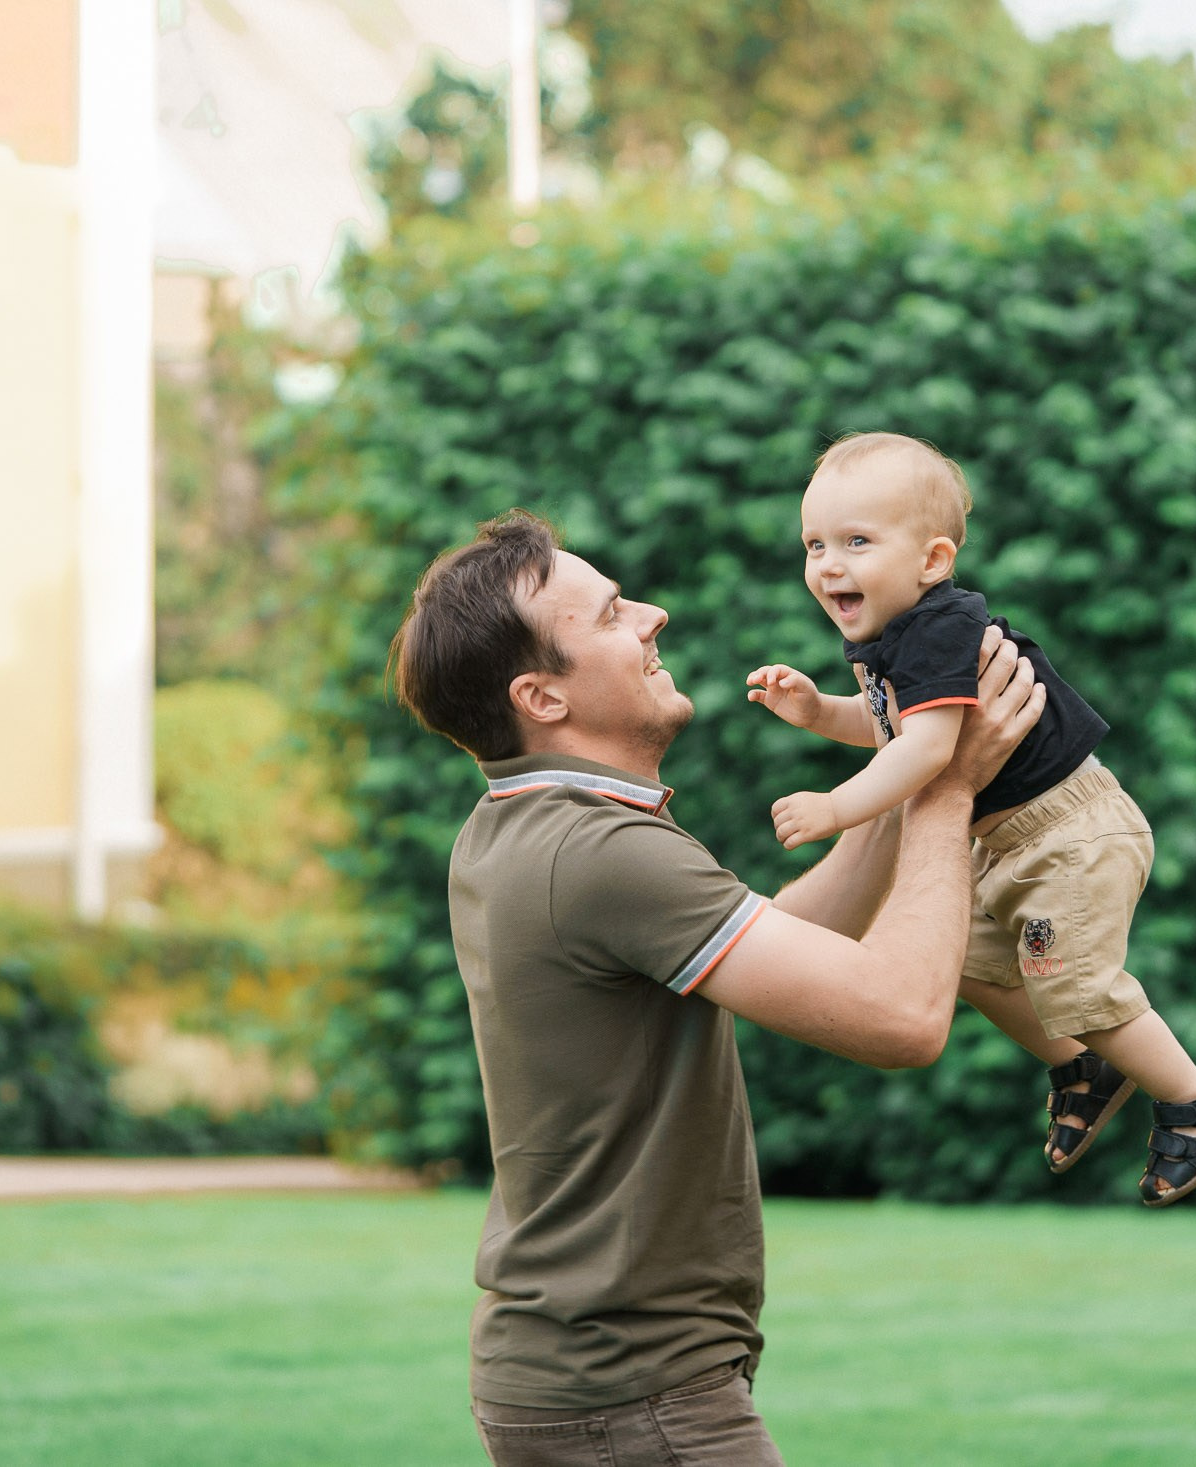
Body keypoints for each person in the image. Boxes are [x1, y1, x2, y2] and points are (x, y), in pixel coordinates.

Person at [391, 509, 1047, 1465]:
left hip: (591, 1382)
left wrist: (910, 768)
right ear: (541, 696)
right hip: (633, 1392)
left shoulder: (520, 827)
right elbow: (902, 1016)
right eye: (612, 614)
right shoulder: (599, 852)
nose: (653, 615)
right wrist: (948, 793)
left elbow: (787, 946)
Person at [746, 432, 1196, 1200]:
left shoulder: (940, 627)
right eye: (815, 544)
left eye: (857, 541)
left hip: (1068, 835)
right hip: (1013, 841)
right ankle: (1081, 1066)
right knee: (968, 962)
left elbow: (924, 750)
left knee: (1077, 982)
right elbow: (890, 723)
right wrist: (818, 709)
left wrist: (835, 806)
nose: (829, 563)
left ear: (933, 560)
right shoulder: (893, 639)